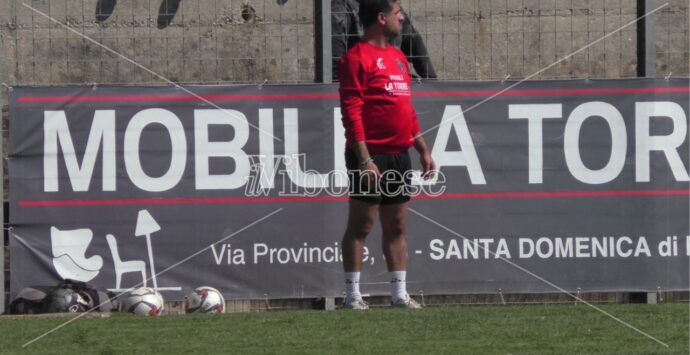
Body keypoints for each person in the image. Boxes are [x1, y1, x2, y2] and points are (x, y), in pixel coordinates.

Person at [338, 0, 436, 309]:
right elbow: (351, 113)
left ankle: (398, 295)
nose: (402, 18)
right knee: (362, 226)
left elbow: (406, 112)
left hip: (399, 155)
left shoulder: (397, 58)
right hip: (370, 157)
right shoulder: (355, 58)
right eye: (398, 14)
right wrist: (365, 160)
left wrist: (422, 149)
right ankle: (353, 296)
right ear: (381, 18)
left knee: (396, 226)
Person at [331, 0, 437, 80]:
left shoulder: (389, 5)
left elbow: (411, 38)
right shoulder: (342, 6)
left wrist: (433, 82)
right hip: (365, 78)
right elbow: (336, 59)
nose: (401, 18)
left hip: (392, 75)